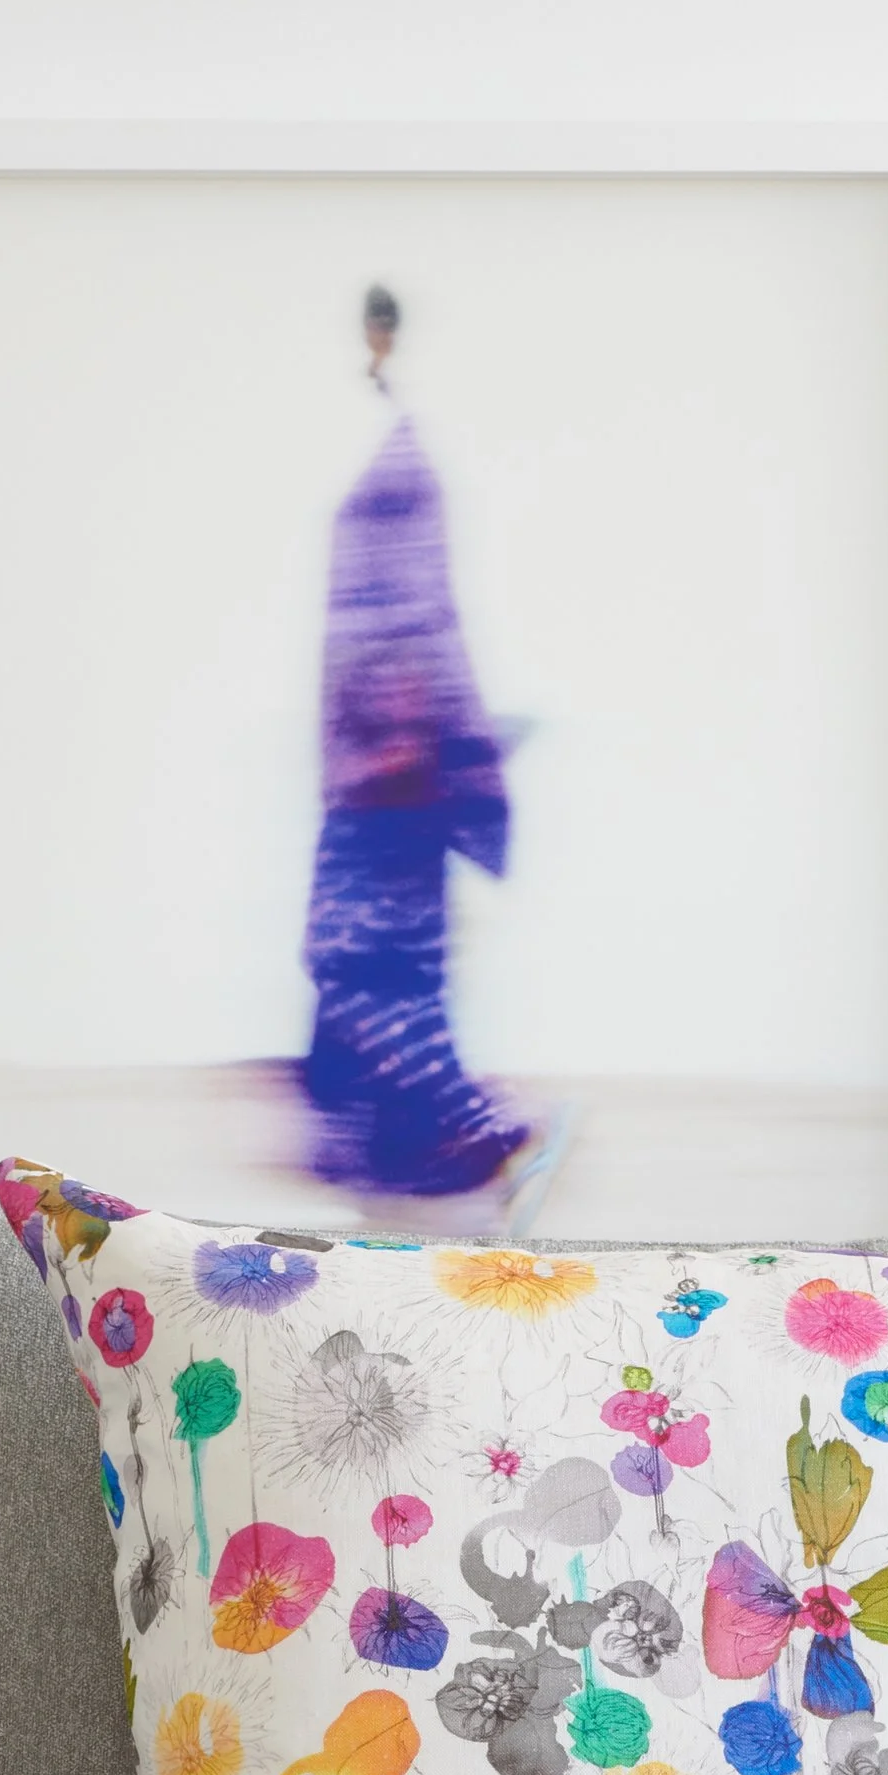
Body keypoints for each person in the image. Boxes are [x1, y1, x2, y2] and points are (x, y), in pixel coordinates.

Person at [298, 291, 530, 1204]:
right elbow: (414, 625)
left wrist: (427, 742)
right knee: (368, 959)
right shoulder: (391, 472)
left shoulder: (396, 477)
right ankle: (407, 1128)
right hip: (383, 776)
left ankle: (426, 1124)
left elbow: (415, 624)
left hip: (388, 777)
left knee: (366, 959)